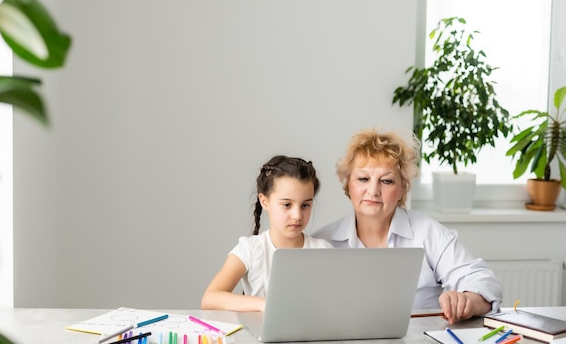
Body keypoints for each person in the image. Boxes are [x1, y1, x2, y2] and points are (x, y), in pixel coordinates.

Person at [313, 128, 502, 324]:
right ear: (348, 184)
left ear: (402, 187)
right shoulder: (322, 241)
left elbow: (482, 281)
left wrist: (467, 301)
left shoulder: (428, 232)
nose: (373, 190)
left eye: (386, 181)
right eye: (363, 179)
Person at [201, 155, 333, 312]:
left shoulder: (323, 251)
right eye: (286, 204)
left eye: (305, 205)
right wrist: (264, 305)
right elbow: (210, 298)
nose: (297, 215)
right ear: (265, 202)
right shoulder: (250, 249)